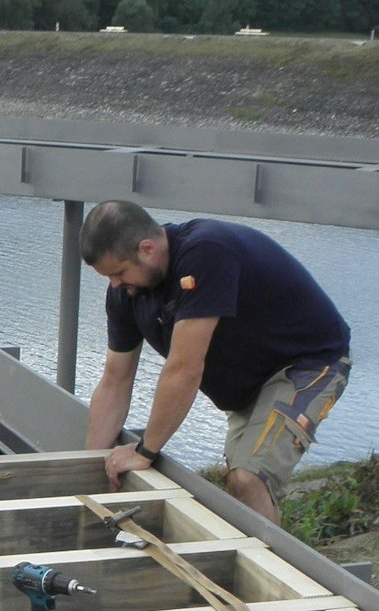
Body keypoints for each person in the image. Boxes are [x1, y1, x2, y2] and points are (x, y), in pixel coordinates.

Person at [79, 200, 351, 524]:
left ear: (147, 249)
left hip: (307, 364)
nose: (115, 284)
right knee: (241, 488)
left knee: (249, 479)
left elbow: (184, 370)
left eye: (119, 272)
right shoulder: (126, 293)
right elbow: (115, 381)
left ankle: (273, 571)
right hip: (250, 384)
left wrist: (143, 452)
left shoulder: (205, 253)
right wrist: (90, 468)